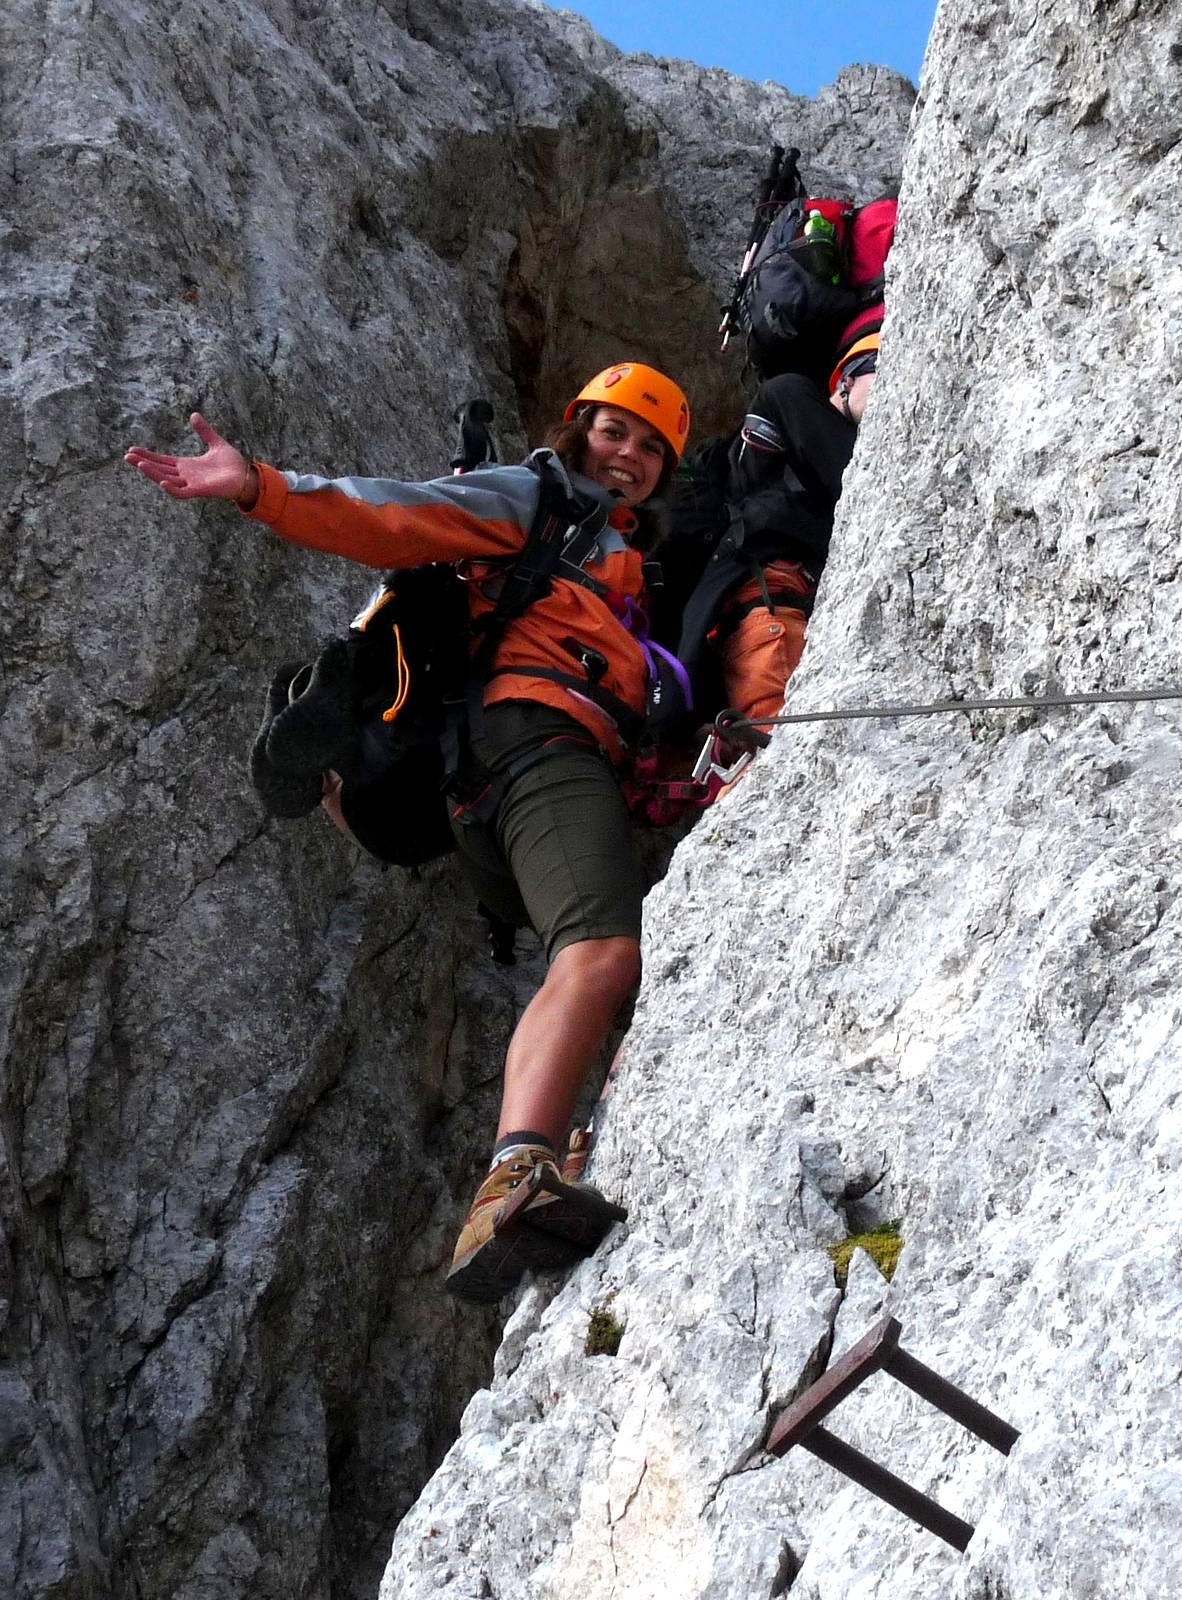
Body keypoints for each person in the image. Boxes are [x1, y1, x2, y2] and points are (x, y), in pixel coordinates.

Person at [126, 361, 691, 1303]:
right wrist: (260, 485)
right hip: (536, 744)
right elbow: (394, 513)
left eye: (650, 448)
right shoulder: (539, 500)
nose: (628, 455)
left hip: (502, 792)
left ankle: (589, 1141)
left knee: (617, 967)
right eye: (613, 430)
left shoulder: (622, 564)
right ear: (576, 428)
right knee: (600, 950)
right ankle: (515, 1176)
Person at [677, 328, 879, 726]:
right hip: (771, 611)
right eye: (883, 372)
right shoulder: (789, 398)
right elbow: (866, 485)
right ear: (847, 378)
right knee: (778, 735)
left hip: (799, 614)